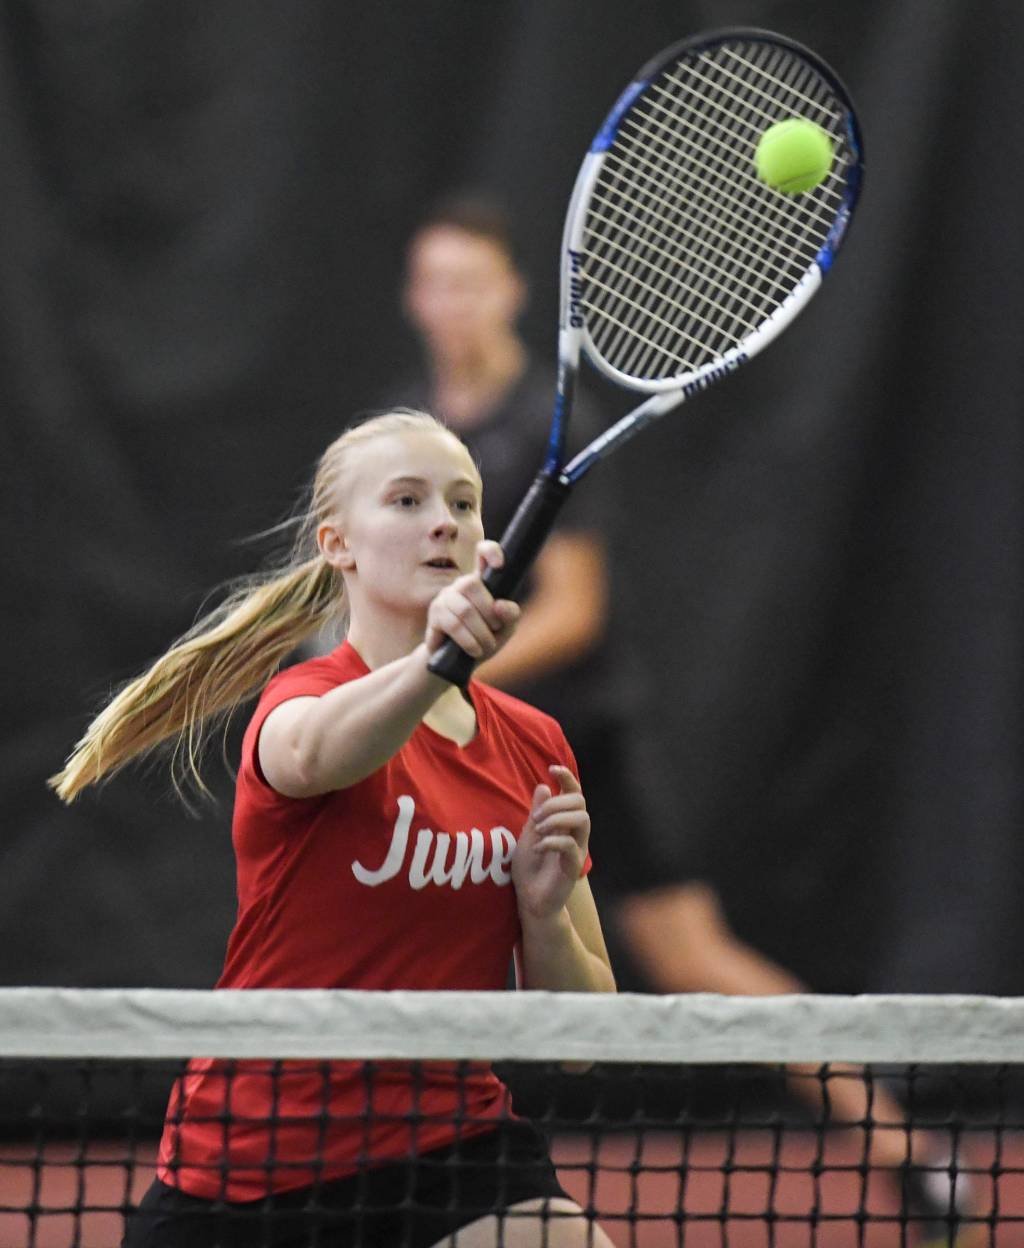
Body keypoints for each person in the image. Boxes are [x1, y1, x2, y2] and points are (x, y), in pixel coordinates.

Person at [397, 194, 977, 1245]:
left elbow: (574, 611)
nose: (453, 305)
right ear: (413, 297)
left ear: (516, 294)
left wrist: (446, 669)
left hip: (569, 744)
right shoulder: (417, 433)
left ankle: (909, 1157)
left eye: (471, 282)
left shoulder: (535, 424)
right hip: (450, 739)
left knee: (691, 957)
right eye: (436, 283)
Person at [50, 410, 618, 1248]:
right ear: (337, 545)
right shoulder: (299, 706)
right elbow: (321, 756)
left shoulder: (532, 745)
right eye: (406, 500)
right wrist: (437, 662)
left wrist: (541, 919)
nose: (444, 522)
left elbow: (585, 1045)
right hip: (255, 1164)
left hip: (452, 1149)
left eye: (465, 504)